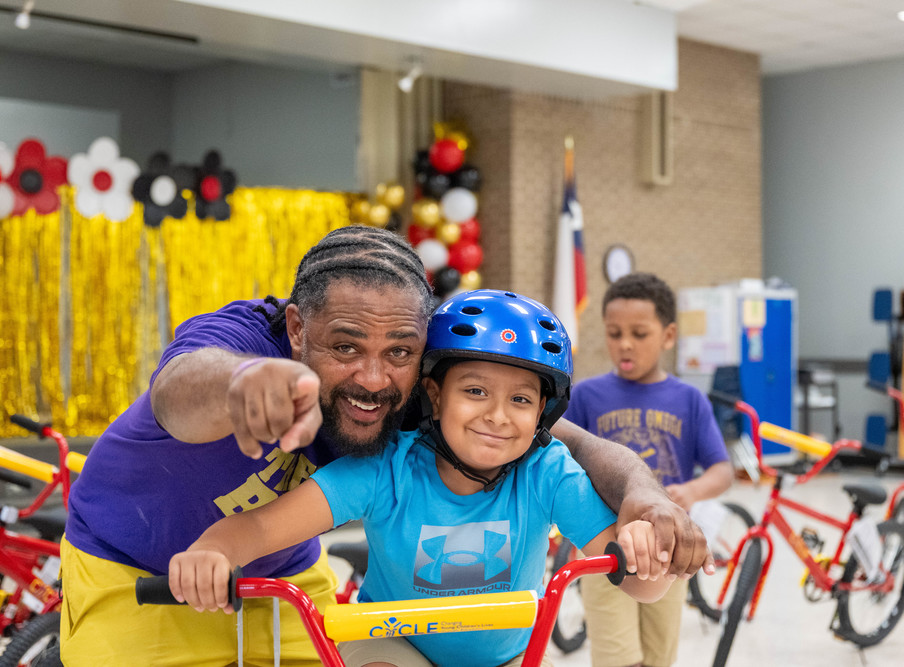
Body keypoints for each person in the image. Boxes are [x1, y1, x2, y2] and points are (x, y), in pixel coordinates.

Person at [60, 226, 708, 666]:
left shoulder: (431, 400)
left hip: (280, 578)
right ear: (295, 327)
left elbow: (569, 443)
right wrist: (243, 382)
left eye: (398, 351)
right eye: (346, 346)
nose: (374, 378)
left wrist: (648, 504)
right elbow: (175, 391)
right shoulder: (244, 341)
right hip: (137, 571)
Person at [169, 289, 672, 667]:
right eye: (475, 391)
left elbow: (644, 588)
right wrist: (215, 551)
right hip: (391, 643)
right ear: (433, 394)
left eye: (520, 400)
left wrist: (648, 554)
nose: (497, 416)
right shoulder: (385, 467)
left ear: (543, 411)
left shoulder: (547, 472)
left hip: (506, 657)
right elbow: (259, 528)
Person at [565, 272, 733, 667]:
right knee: (617, 657)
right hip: (602, 544)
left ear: (669, 335)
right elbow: (561, 461)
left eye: (639, 333)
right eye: (614, 332)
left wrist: (691, 492)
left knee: (659, 657)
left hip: (671, 549)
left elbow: (722, 470)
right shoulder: (586, 394)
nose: (624, 343)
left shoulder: (689, 399)